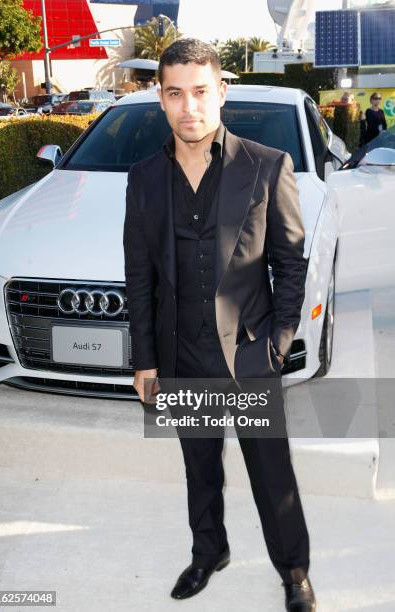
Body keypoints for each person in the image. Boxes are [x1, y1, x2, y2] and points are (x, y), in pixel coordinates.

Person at [123, 38, 316, 611]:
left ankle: (294, 571)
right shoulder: (143, 179)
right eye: (176, 93)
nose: (190, 107)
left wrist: (278, 345)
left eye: (201, 92)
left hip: (250, 357)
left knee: (272, 479)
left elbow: (290, 264)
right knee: (199, 468)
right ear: (160, 97)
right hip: (181, 357)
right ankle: (208, 553)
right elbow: (139, 279)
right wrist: (145, 361)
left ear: (220, 92)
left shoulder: (267, 166)